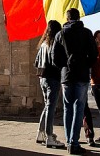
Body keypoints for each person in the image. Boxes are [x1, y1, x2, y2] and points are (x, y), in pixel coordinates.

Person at [52, 8, 98, 155]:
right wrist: (85, 64)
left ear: (67, 18)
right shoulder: (86, 33)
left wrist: (64, 66)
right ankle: (74, 142)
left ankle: (68, 141)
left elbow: (54, 58)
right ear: (79, 18)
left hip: (66, 76)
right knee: (79, 108)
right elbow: (93, 54)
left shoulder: (60, 34)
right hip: (82, 75)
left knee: (68, 108)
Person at [34, 20, 66, 149]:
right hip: (53, 77)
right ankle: (49, 136)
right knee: (51, 107)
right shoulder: (55, 43)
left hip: (42, 77)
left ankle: (41, 133)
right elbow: (56, 61)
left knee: (47, 106)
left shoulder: (43, 44)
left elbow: (36, 62)